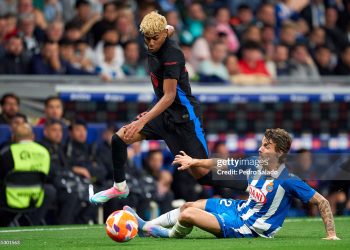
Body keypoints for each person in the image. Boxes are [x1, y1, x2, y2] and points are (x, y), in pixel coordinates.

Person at [90, 11, 246, 204]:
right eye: (147, 39)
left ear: (163, 35)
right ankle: (120, 187)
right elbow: (169, 29)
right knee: (119, 139)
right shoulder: (161, 34)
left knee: (203, 176)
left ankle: (253, 185)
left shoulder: (172, 54)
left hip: (184, 118)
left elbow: (170, 96)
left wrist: (144, 120)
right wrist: (149, 113)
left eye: (155, 38)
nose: (151, 43)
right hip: (164, 114)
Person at [126, 128, 340, 240]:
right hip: (240, 210)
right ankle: (146, 225)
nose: (260, 149)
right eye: (261, 144)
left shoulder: (288, 181)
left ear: (280, 152)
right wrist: (194, 161)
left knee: (188, 215)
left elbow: (322, 202)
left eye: (266, 146)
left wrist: (331, 234)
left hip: (248, 228)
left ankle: (163, 233)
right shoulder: (256, 165)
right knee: (188, 205)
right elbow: (223, 162)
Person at [0, 123, 55, 226]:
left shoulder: (8, 152)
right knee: (50, 190)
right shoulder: (44, 151)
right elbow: (50, 175)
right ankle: (32, 224)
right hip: (35, 198)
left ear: (13, 137)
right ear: (33, 137)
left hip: (10, 199)